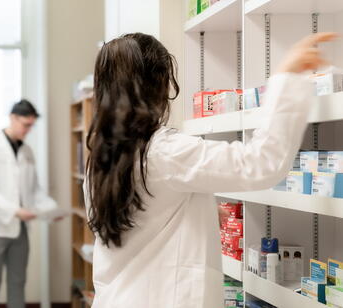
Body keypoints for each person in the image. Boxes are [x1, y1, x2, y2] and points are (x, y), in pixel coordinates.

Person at [84, 32, 336, 307]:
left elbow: (140, 218)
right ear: (159, 84)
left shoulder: (102, 159)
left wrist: (198, 209)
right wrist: (288, 75)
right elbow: (261, 163)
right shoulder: (164, 152)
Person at [0, 99, 58, 308]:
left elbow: (34, 190)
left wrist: (51, 209)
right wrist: (14, 211)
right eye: (25, 124)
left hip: (19, 229)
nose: (28, 130)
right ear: (12, 118)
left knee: (18, 282)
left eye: (32, 125)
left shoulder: (27, 151)